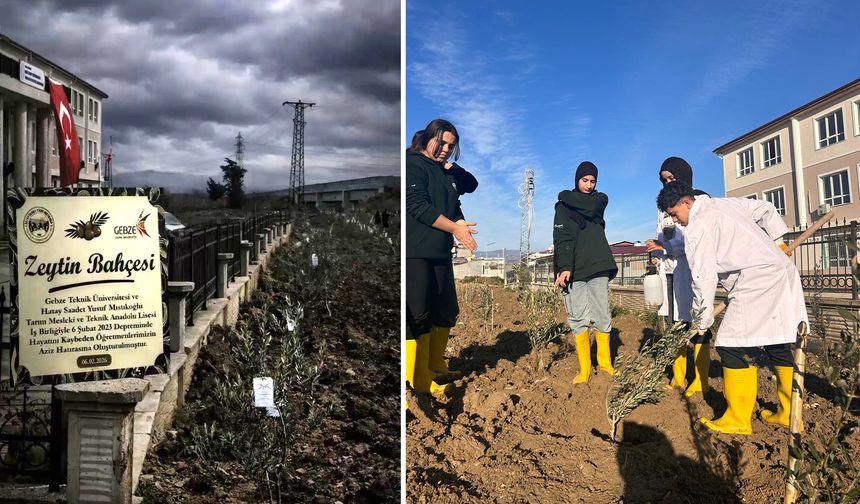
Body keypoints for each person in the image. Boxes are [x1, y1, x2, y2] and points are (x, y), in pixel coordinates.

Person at [656, 181, 807, 435]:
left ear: (686, 202)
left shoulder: (697, 228)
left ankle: (738, 419)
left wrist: (701, 320)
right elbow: (765, 208)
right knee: (776, 342)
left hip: (756, 280)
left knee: (729, 345)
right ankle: (789, 413)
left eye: (675, 214)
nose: (676, 221)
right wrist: (779, 244)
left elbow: (703, 278)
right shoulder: (723, 203)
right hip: (778, 271)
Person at [405, 119, 478, 401]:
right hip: (417, 252)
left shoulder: (441, 172)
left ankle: (434, 367)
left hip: (440, 252)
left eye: (451, 145)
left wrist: (460, 226)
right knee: (419, 317)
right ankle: (418, 381)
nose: (446, 149)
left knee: (445, 310)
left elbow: (454, 202)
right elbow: (418, 206)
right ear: (426, 138)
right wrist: (455, 228)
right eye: (441, 142)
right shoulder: (413, 164)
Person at [644, 157, 712, 397]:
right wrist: (656, 249)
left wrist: (667, 248)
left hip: (692, 270)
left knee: (699, 324)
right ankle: (678, 375)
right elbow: (662, 233)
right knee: (675, 325)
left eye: (671, 178)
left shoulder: (700, 200)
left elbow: (694, 240)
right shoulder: (663, 206)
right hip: (670, 270)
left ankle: (701, 379)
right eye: (664, 180)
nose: (668, 183)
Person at [553, 161, 618, 385]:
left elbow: (590, 208)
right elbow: (562, 239)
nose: (589, 185)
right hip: (574, 268)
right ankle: (585, 369)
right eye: (585, 180)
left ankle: (606, 364)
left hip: (598, 264)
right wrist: (564, 267)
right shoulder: (561, 208)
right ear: (577, 180)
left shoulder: (600, 200)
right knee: (578, 317)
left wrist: (563, 195)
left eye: (592, 181)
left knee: (601, 314)